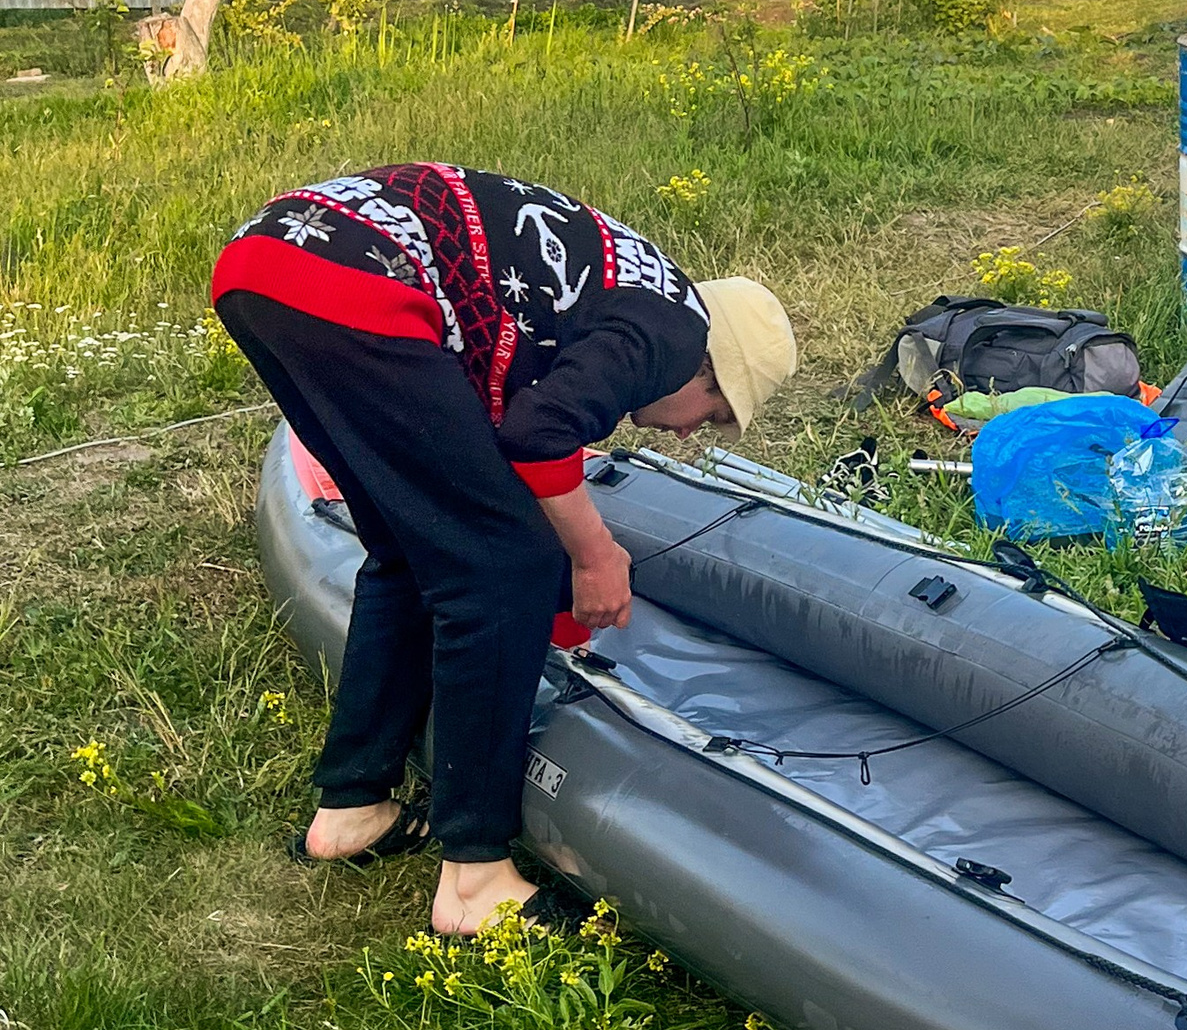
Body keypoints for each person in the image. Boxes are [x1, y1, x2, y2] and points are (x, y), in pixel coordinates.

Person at [212, 165, 796, 938]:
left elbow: (493, 455)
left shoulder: (622, 295)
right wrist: (593, 558)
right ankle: (475, 881)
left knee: (407, 544)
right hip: (353, 276)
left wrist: (551, 608)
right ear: (707, 365)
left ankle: (352, 810)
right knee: (501, 569)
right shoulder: (669, 330)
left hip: (266, 260)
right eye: (714, 409)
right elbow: (536, 436)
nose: (694, 430)